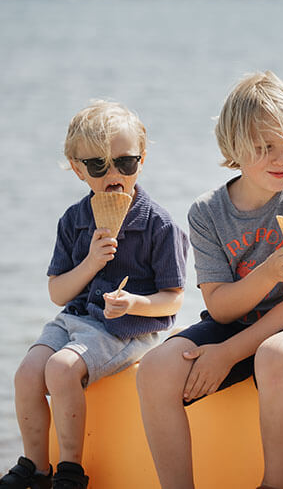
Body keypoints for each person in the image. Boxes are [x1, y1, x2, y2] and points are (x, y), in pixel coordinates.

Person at [136, 70, 283, 489]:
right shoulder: (207, 212)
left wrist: (227, 354)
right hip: (235, 324)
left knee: (275, 356)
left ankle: (275, 484)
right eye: (265, 147)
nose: (281, 159)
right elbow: (220, 307)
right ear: (234, 147)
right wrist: (268, 273)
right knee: (154, 370)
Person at [0, 101, 188, 489]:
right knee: (27, 373)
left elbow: (173, 298)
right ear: (77, 167)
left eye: (125, 163)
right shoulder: (74, 220)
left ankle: (70, 469)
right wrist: (89, 263)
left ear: (142, 159)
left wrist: (134, 303)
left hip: (130, 330)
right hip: (74, 318)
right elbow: (57, 292)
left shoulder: (159, 224)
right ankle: (36, 468)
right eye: (98, 166)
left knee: (61, 369)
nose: (114, 175)